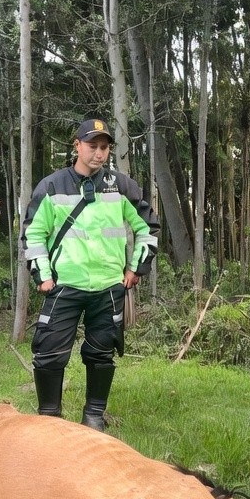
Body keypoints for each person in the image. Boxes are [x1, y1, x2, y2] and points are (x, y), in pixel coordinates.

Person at [20, 118, 159, 431]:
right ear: (77, 146)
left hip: (108, 288)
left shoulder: (122, 186)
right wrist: (43, 275)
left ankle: (94, 417)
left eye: (104, 147)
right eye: (92, 146)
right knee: (49, 352)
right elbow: (33, 234)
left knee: (101, 353)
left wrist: (136, 268)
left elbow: (148, 228)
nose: (99, 153)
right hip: (64, 286)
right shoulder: (52, 186)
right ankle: (49, 420)